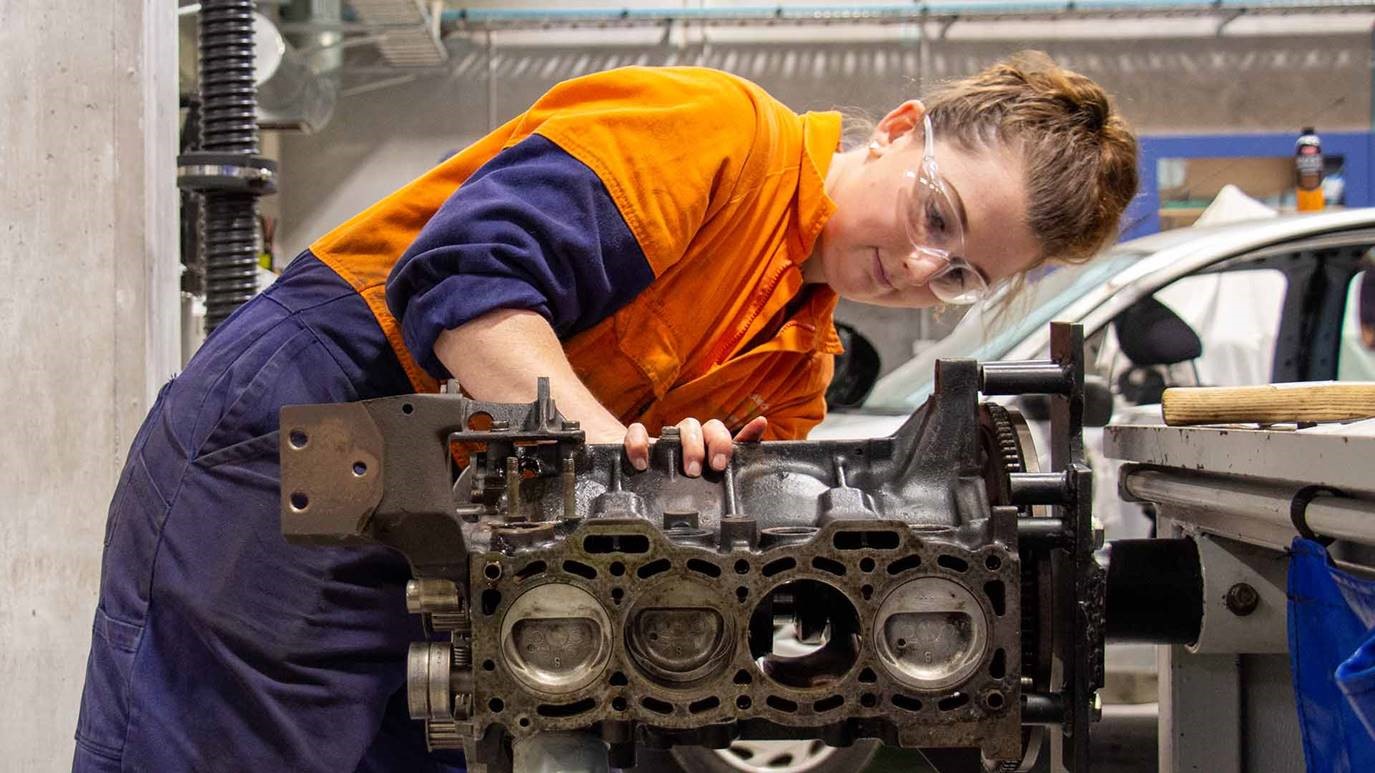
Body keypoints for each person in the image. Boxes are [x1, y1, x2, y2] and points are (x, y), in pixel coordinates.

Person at [73, 51, 1137, 771]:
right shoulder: (715, 137)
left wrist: (690, 479)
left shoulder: (796, 360)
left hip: (460, 516)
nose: (915, 265)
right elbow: (464, 283)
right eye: (932, 213)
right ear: (901, 130)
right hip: (312, 431)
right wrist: (612, 465)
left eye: (958, 275)